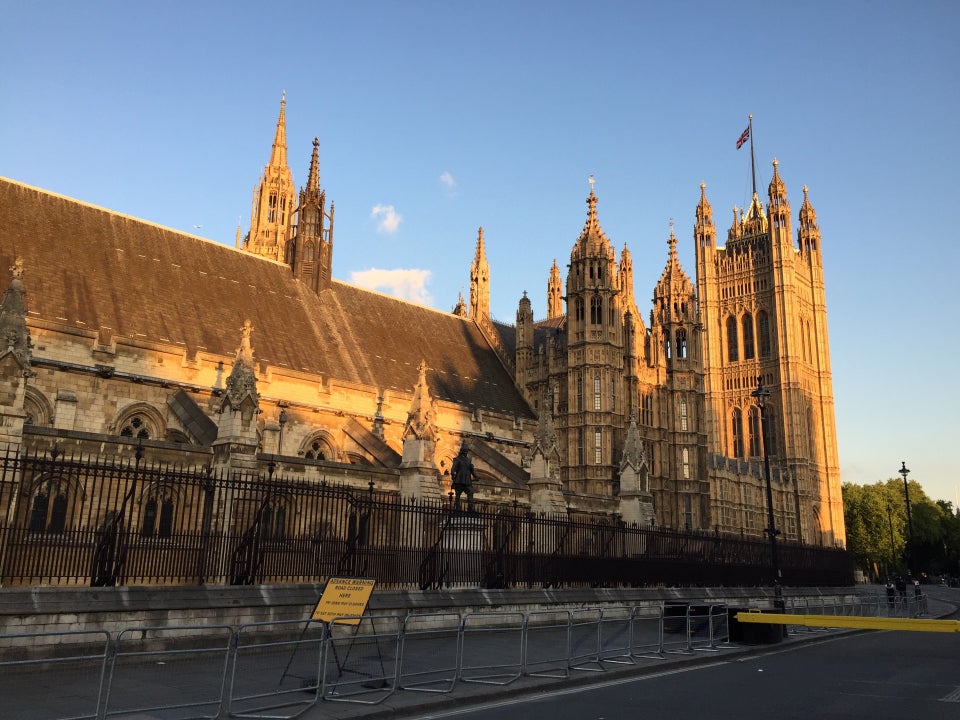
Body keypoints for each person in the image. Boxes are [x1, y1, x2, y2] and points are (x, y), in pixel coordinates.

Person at [451, 445, 476, 512]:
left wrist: (476, 476)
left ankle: (470, 507)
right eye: (465, 451)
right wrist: (453, 474)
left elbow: (471, 469)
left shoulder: (468, 460)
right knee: (458, 494)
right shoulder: (457, 459)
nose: (466, 452)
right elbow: (453, 468)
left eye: (466, 451)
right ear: (462, 451)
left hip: (467, 480)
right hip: (459, 480)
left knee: (470, 492)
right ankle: (457, 507)